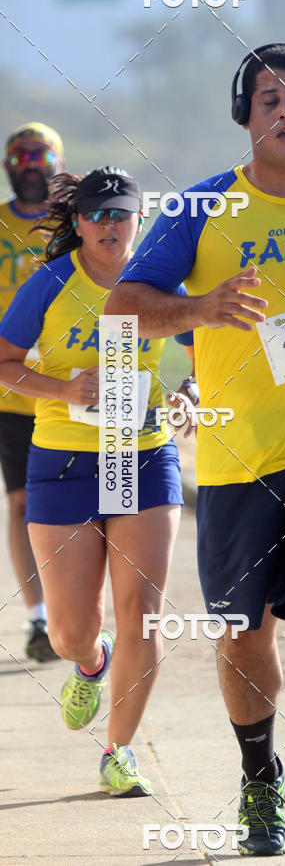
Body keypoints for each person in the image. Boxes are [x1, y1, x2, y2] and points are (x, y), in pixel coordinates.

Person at [106, 44, 285, 859]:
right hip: (237, 456)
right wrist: (200, 307)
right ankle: (260, 781)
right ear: (245, 115)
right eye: (269, 99)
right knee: (244, 630)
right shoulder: (203, 209)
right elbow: (125, 306)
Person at [0, 166, 191, 796]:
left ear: (140, 219)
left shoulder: (160, 283)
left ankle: (119, 750)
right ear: (78, 223)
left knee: (144, 614)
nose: (110, 224)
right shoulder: (52, 282)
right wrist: (61, 387)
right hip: (64, 460)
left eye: (121, 213)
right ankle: (90, 661)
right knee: (69, 632)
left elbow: (203, 354)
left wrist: (192, 391)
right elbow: (3, 361)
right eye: (98, 214)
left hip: (142, 453)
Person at [0, 122, 64, 662]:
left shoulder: (74, 225)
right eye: (18, 156)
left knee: (82, 504)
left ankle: (79, 612)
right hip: (13, 391)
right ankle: (38, 620)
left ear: (56, 163)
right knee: (20, 502)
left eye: (39, 155)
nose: (28, 165)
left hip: (72, 386)